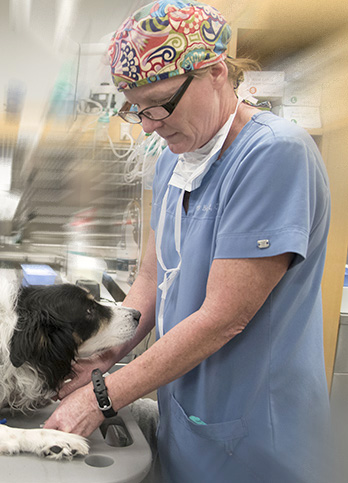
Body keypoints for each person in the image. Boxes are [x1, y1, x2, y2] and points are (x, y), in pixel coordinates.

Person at [44, 2, 332, 482]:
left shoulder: (274, 155)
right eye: (138, 109)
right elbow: (152, 278)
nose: (151, 123)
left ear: (216, 71)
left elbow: (223, 318)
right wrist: (105, 355)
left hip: (259, 436)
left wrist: (103, 395)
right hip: (192, 418)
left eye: (159, 104)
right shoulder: (174, 162)